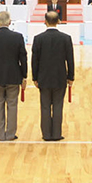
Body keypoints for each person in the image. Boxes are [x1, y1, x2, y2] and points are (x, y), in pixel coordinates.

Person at [0, 12, 27, 141]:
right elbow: (23, 58)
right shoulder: (17, 37)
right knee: (12, 105)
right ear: (9, 22)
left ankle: (1, 134)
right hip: (13, 76)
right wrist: (24, 76)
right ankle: (11, 134)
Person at [32, 12, 74, 141]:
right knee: (57, 105)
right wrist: (71, 77)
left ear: (45, 21)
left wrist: (35, 77)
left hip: (43, 78)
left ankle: (46, 134)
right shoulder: (66, 38)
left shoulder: (38, 38)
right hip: (60, 77)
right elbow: (70, 60)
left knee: (45, 106)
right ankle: (56, 134)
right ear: (59, 21)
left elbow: (35, 60)